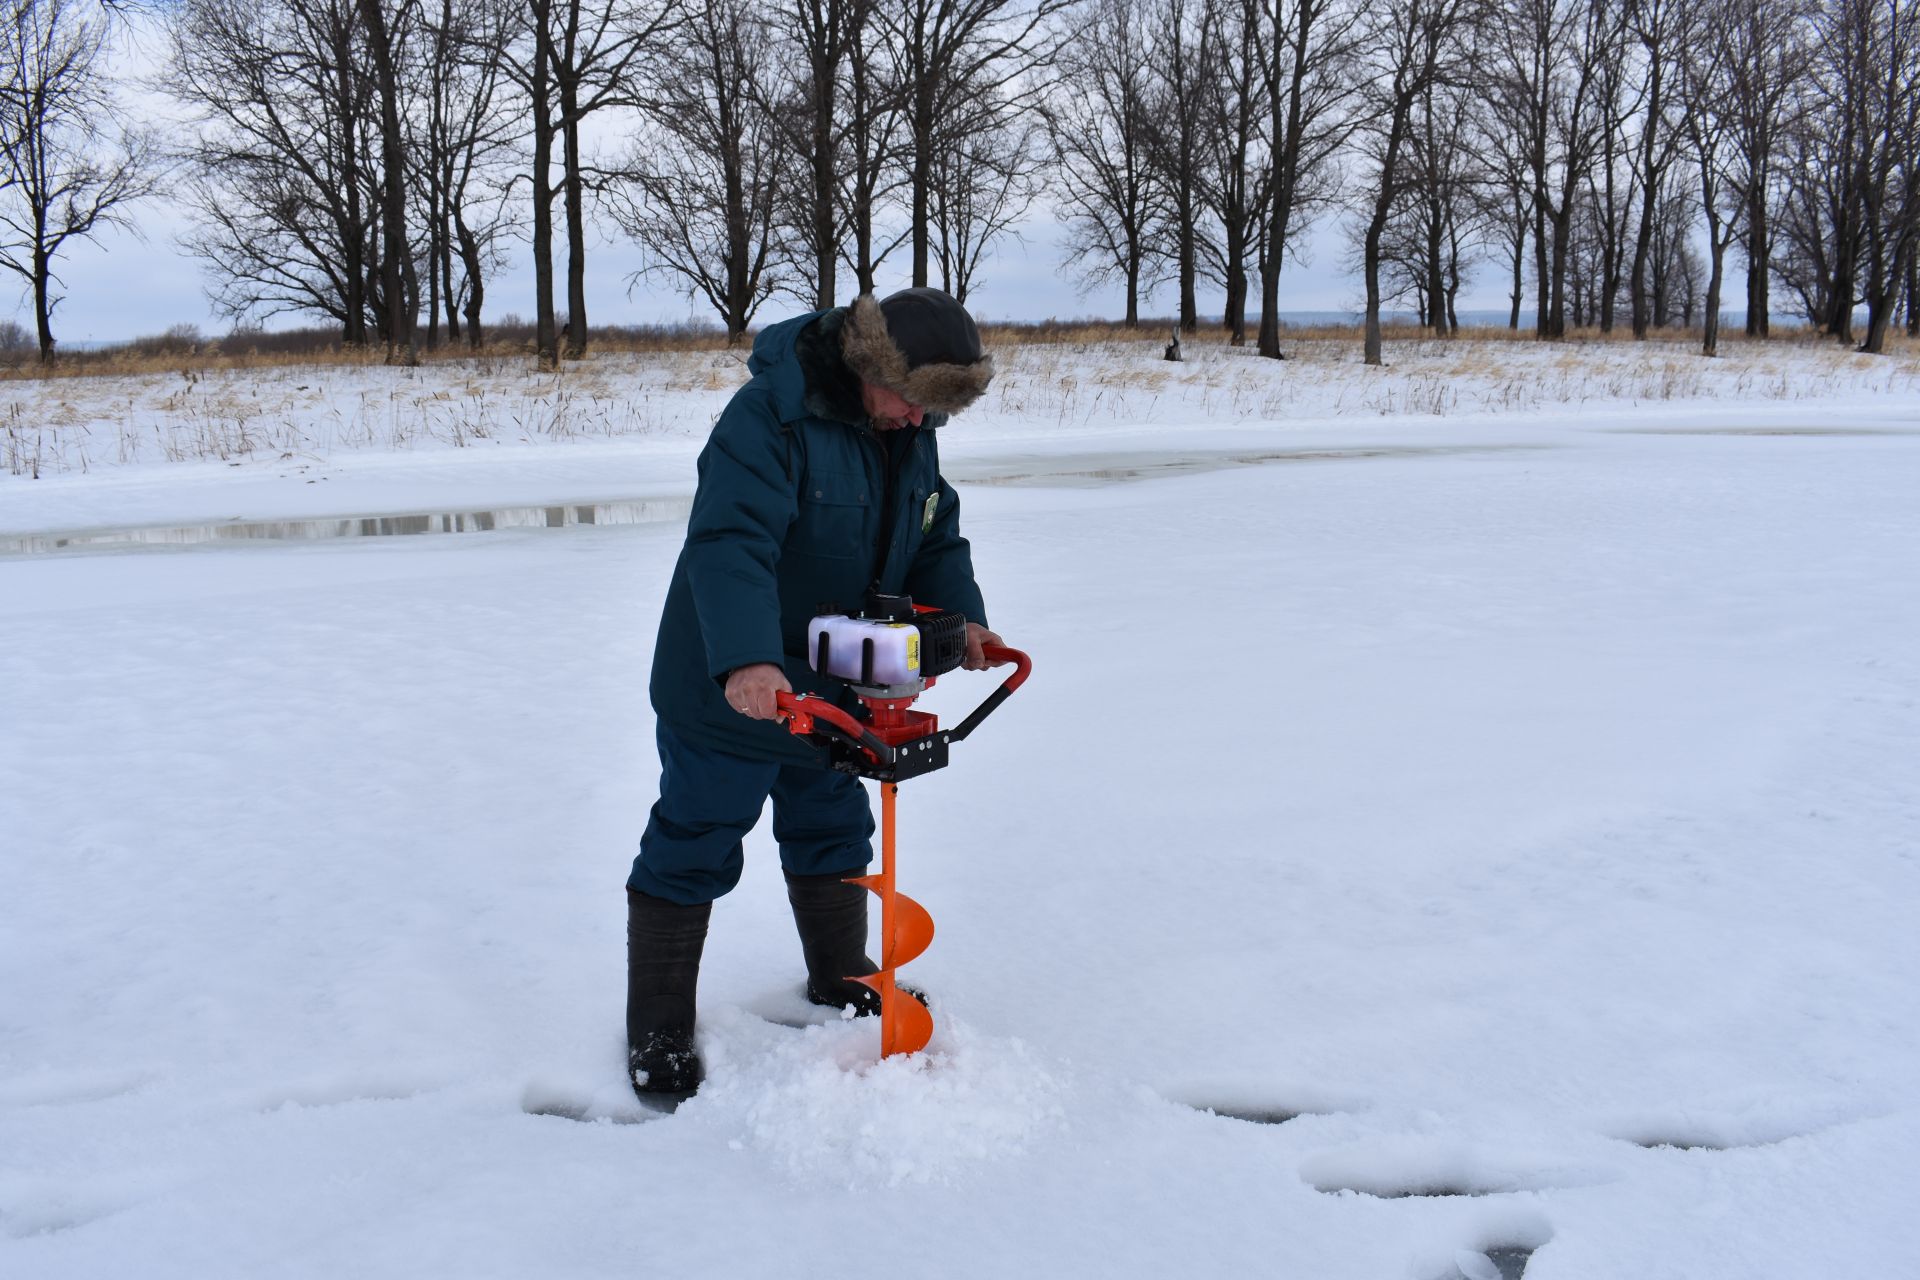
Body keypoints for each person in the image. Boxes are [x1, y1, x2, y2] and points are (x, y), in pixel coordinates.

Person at [626, 287, 1009, 1100]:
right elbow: (731, 543)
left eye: (934, 409)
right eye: (910, 400)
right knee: (696, 835)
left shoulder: (910, 427)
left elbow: (935, 528)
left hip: (836, 685)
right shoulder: (768, 418)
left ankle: (840, 974)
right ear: (871, 367)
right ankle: (657, 1020)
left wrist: (965, 620)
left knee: (833, 829)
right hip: (730, 687)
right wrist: (746, 662)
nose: (918, 421)